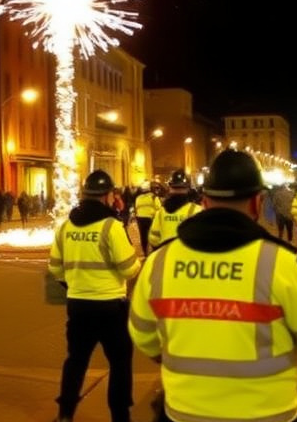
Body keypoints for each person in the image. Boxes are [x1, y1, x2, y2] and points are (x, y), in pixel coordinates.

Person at [128, 149, 297, 422]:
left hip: (184, 414)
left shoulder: (159, 262)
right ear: (258, 202)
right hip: (268, 416)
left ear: (205, 201)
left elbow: (143, 337)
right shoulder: (281, 262)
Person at [49, 170, 141, 422]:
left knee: (76, 361)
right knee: (120, 364)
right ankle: (120, 416)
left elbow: (55, 267)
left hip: (78, 306)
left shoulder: (66, 226)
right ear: (107, 196)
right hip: (111, 307)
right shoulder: (111, 226)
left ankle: (65, 413)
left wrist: (74, 286)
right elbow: (129, 268)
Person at [148, 170, 203, 250]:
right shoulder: (197, 210)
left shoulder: (161, 212)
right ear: (188, 188)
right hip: (188, 258)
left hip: (166, 256)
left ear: (170, 188)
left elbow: (153, 239)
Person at [134, 182, 159, 256]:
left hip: (140, 219)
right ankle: (154, 251)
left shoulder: (138, 198)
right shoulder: (153, 197)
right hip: (150, 218)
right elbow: (158, 208)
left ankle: (145, 252)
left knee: (143, 236)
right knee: (153, 235)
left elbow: (136, 208)